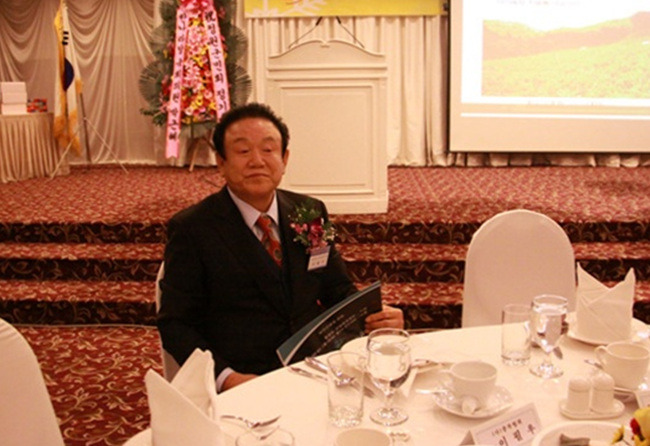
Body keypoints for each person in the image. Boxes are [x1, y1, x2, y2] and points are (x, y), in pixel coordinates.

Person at [157, 102, 404, 392]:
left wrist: (377, 314)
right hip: (246, 378)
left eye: (268, 149)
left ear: (284, 159)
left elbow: (337, 288)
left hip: (315, 368)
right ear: (221, 162)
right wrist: (227, 378)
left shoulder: (309, 212)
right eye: (243, 151)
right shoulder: (193, 229)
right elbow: (176, 324)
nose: (257, 161)